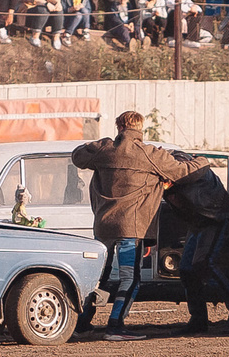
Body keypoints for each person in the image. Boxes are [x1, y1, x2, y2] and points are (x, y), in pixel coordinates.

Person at [70, 111, 208, 342]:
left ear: (119, 127)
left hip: (103, 226)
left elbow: (77, 156)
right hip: (131, 228)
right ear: (141, 128)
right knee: (130, 278)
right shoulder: (149, 154)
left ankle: (82, 323)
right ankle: (115, 326)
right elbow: (184, 171)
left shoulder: (105, 150)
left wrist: (99, 143)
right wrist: (202, 160)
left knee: (98, 277)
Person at [168, 160, 229, 333]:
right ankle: (198, 319)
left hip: (214, 218)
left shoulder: (186, 172)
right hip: (199, 221)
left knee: (206, 263)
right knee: (186, 269)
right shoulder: (179, 172)